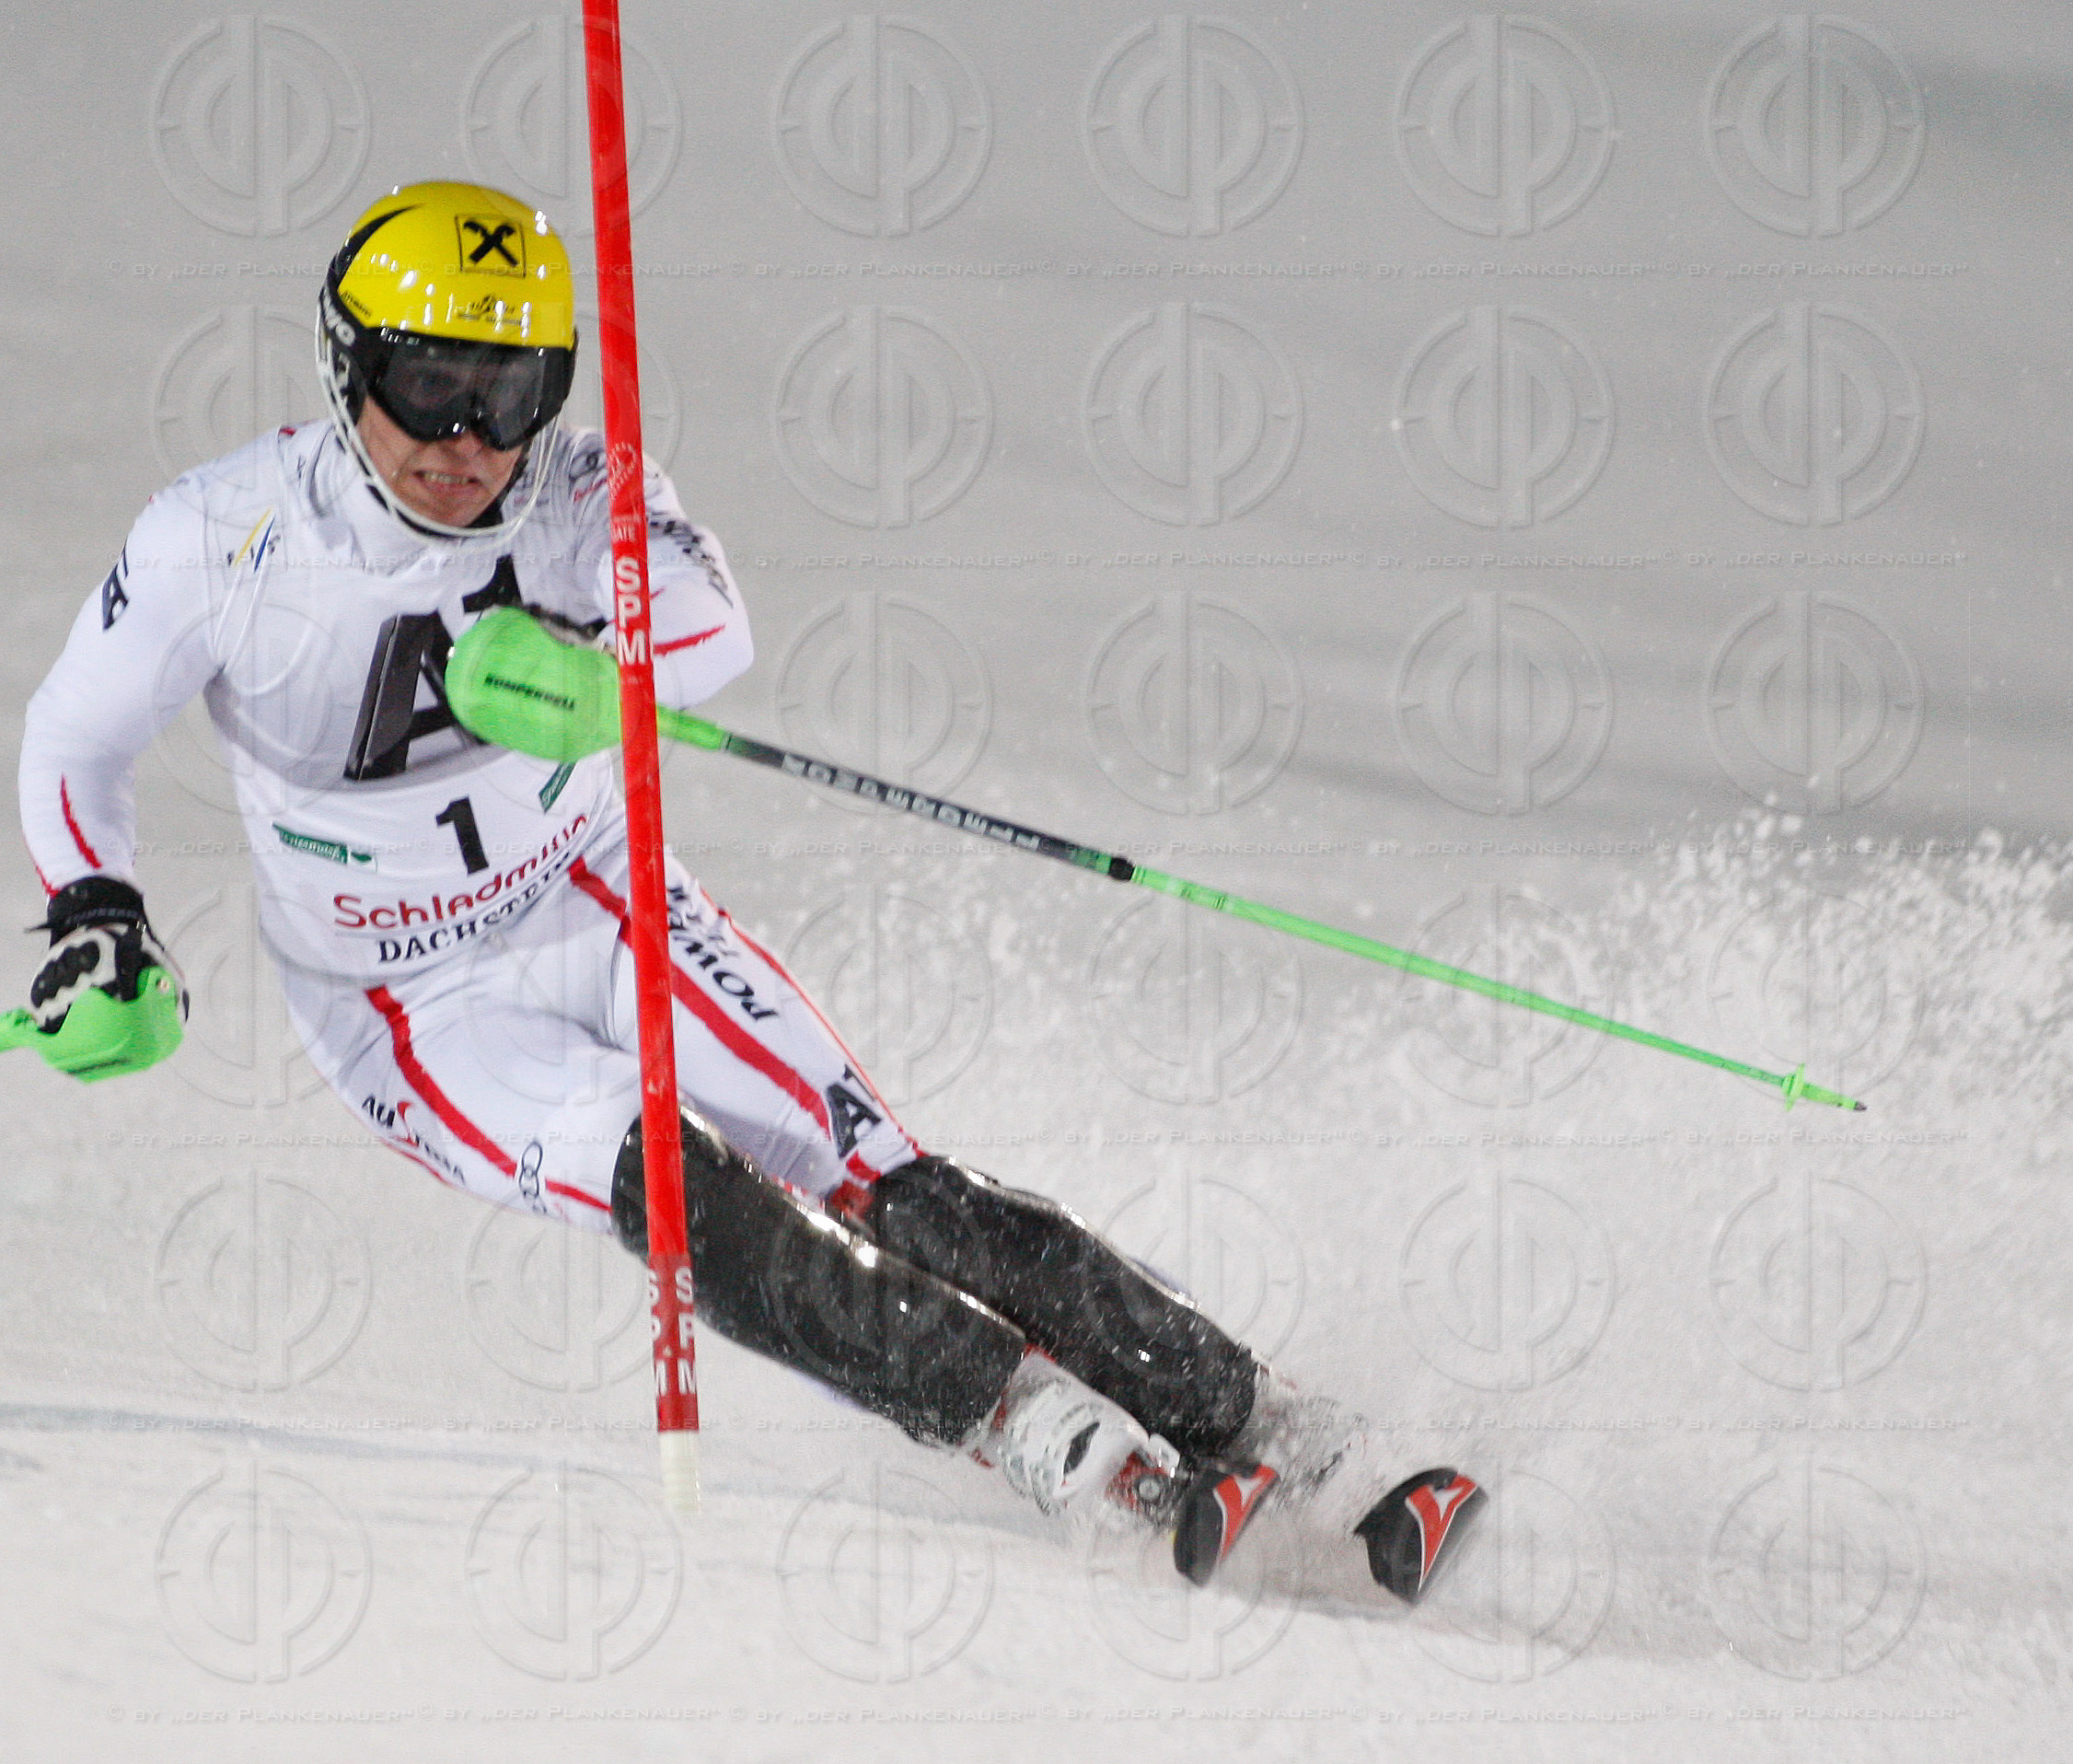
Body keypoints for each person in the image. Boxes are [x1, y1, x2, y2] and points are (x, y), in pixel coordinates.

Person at [14, 180, 1481, 1600]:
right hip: (409, 1003)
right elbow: (77, 735)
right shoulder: (223, 537)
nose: (467, 440)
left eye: (511, 394)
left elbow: (711, 615)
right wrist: (98, 908)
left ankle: (1284, 1434)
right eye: (428, 385)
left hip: (596, 898)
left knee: (889, 1179)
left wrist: (606, 671)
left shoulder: (576, 490)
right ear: (350, 367)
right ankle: (1044, 1437)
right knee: (674, 1182)